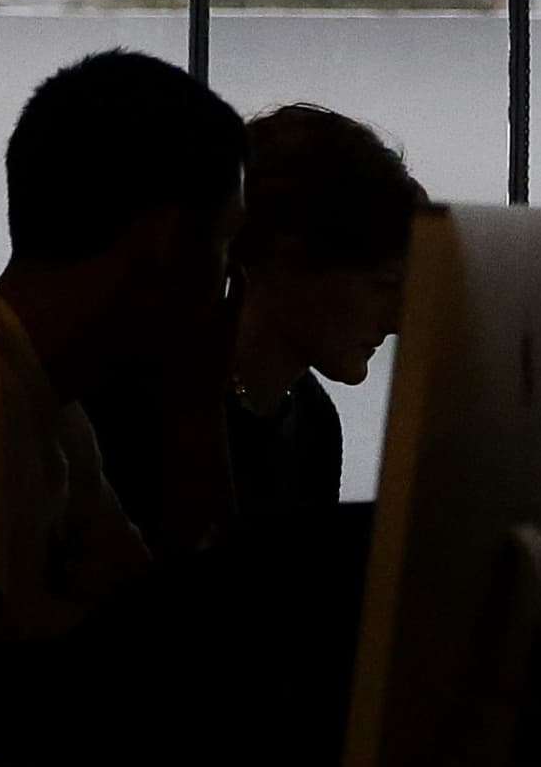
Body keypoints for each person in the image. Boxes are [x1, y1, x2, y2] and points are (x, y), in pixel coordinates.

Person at [0, 51, 246, 652]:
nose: (230, 284)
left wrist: (196, 407)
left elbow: (172, 620)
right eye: (226, 245)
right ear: (169, 244)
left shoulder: (45, 404)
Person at [86, 103, 422, 555]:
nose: (400, 318)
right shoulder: (128, 406)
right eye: (384, 285)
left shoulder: (313, 420)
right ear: (284, 258)